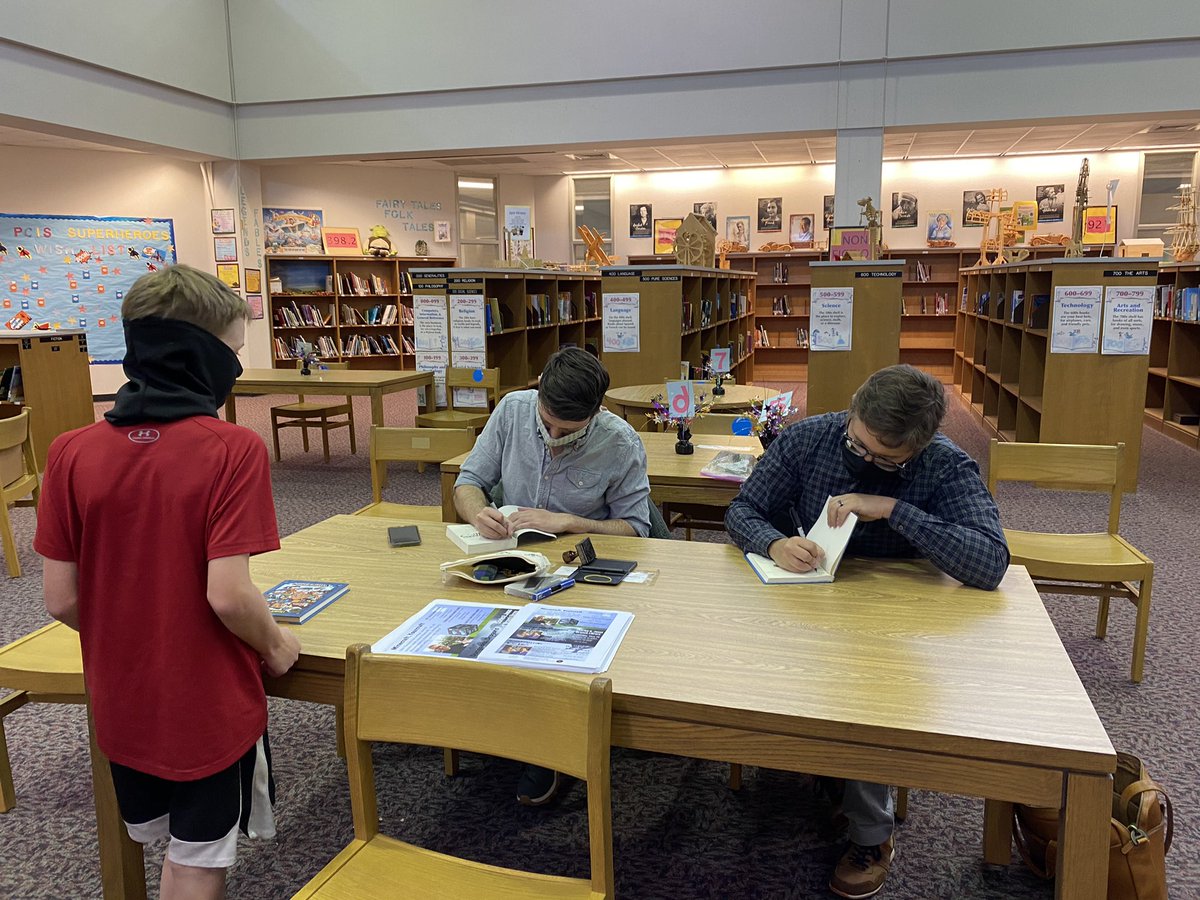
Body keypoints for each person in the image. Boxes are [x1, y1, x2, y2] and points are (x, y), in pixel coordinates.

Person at [34, 265, 300, 900]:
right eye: (234, 353)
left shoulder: (69, 451)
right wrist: (274, 646)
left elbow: (62, 599)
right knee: (197, 860)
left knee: (162, 842)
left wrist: (137, 631)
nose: (237, 369)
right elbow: (230, 595)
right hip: (209, 705)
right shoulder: (231, 449)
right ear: (204, 354)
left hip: (121, 700)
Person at [725, 364, 1008, 899]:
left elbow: (990, 562)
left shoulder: (945, 465)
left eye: (887, 460)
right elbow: (743, 509)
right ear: (852, 413)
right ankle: (824, 767)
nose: (868, 463)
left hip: (896, 627)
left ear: (919, 447)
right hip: (809, 605)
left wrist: (896, 510)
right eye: (860, 447)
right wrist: (773, 543)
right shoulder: (810, 438)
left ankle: (872, 834)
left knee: (867, 692)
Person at [454, 347, 651, 805]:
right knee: (461, 624)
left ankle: (546, 749)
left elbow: (637, 529)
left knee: (551, 645)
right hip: (513, 556)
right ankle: (483, 724)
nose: (553, 436)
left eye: (569, 432)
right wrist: (478, 511)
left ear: (596, 411)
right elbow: (468, 480)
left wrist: (569, 520)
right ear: (538, 388)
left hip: (579, 568)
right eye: (548, 424)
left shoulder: (620, 442)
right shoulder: (512, 410)